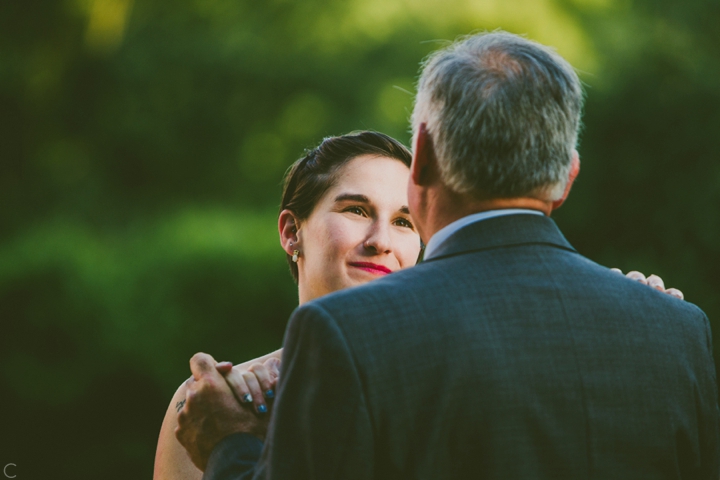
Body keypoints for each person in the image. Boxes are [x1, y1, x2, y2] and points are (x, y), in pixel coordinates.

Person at [174, 31, 718, 479]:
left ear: (424, 156)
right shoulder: (677, 330)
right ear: (566, 177)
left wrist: (227, 446)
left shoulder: (346, 332)